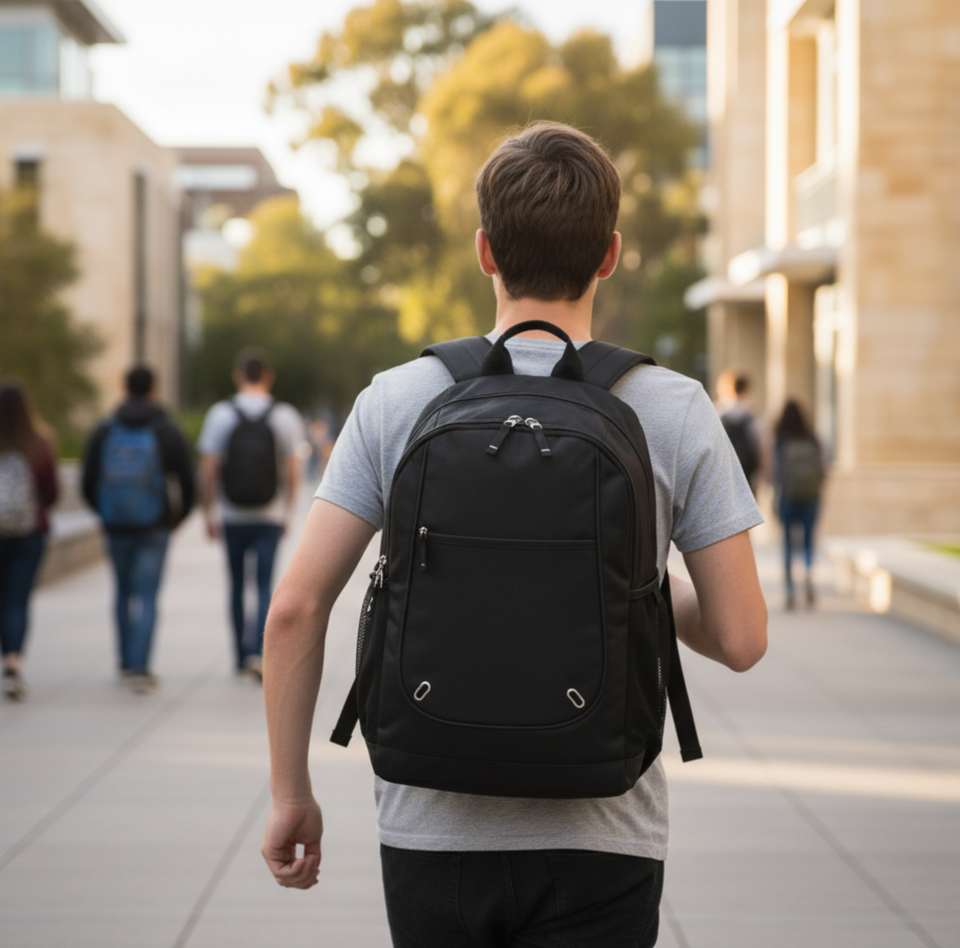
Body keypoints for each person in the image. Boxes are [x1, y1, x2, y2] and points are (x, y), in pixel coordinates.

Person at [259, 123, 768, 946]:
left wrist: (291, 793)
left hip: (432, 827)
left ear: (485, 251)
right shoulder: (673, 408)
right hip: (605, 830)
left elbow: (293, 609)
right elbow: (743, 638)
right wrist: (629, 576)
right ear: (609, 254)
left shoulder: (398, 398)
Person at [82, 364, 195, 693]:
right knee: (147, 594)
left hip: (116, 525)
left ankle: (124, 661)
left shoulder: (105, 429)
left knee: (121, 591)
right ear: (154, 389)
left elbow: (89, 481)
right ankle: (141, 666)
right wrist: (177, 517)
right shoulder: (166, 430)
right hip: (154, 524)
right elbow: (187, 480)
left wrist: (104, 513)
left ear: (124, 388)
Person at [198, 348, 305, 681]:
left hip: (232, 515)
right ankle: (259, 652)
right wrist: (288, 511)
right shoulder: (285, 415)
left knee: (235, 585)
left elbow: (209, 467)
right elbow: (293, 468)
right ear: (269, 376)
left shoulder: (220, 414)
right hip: (269, 515)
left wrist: (208, 512)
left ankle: (240, 655)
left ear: (238, 376)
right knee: (263, 584)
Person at [0, 381, 58, 701]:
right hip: (29, 533)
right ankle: (13, 662)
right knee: (16, 600)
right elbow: (51, 493)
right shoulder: (38, 443)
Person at [773, 399, 826, 609]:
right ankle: (808, 576)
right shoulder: (813, 438)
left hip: (788, 496)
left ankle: (789, 589)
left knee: (787, 542)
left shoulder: (780, 440)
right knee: (808, 541)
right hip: (811, 497)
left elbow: (774, 472)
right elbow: (823, 468)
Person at [716, 369, 763, 494]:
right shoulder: (753, 414)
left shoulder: (717, 411)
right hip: (747, 471)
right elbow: (760, 446)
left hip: (723, 471)